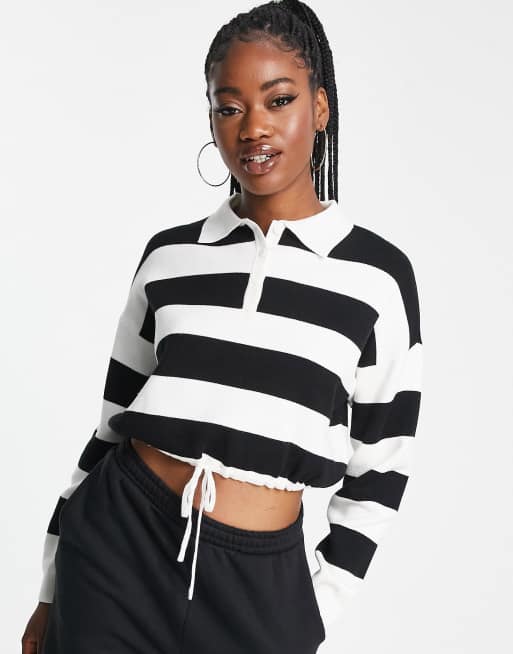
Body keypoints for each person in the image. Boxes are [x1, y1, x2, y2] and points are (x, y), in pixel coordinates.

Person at [22, 1, 423, 652]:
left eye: (278, 100)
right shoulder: (171, 256)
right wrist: (49, 588)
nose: (253, 127)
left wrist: (314, 610)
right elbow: (108, 431)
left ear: (320, 108)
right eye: (229, 107)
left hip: (259, 587)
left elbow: (381, 470)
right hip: (117, 549)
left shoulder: (375, 276)